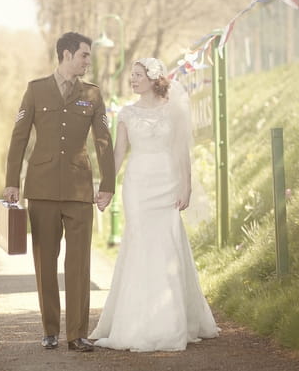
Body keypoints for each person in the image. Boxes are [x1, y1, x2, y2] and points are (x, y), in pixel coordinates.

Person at [89, 57, 219, 351]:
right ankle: (137, 323)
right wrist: (105, 186)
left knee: (167, 246)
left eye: (137, 75)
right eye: (131, 75)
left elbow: (182, 152)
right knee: (140, 246)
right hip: (137, 185)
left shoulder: (172, 110)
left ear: (152, 78)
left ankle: (171, 321)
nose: (132, 80)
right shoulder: (126, 113)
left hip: (167, 183)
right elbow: (118, 153)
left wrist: (186, 186)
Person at [3, 32, 116, 352]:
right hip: (41, 190)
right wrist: (12, 181)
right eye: (84, 55)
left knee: (79, 264)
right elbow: (19, 138)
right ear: (66, 55)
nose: (87, 61)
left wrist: (108, 185)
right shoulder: (36, 90)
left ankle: (76, 333)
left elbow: (103, 141)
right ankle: (50, 329)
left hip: (80, 190)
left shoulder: (92, 95)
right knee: (45, 262)